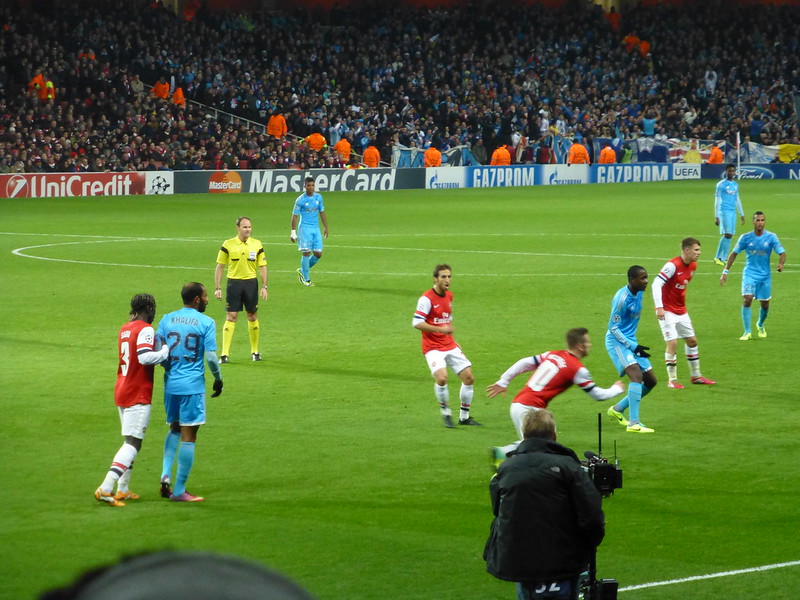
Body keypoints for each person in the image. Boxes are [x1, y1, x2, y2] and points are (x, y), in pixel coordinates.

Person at [483, 410, 605, 600]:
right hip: (562, 561)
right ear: (554, 436)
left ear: (523, 436)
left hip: (521, 561)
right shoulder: (569, 467)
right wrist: (587, 548)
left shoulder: (506, 468)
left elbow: (498, 511)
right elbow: (592, 517)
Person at [485, 328, 624, 468]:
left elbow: (524, 362)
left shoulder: (553, 354)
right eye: (588, 342)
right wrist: (616, 389)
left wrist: (503, 381)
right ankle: (506, 460)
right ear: (580, 346)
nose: (590, 345)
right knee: (539, 447)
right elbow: (597, 395)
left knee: (545, 444)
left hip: (521, 404)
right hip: (530, 409)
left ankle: (507, 456)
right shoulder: (577, 369)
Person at [94, 294, 169, 507]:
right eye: (153, 308)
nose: (154, 313)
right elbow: (144, 357)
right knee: (134, 443)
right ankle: (106, 488)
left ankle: (123, 489)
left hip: (122, 388)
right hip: (137, 391)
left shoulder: (125, 328)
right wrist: (165, 351)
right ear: (147, 308)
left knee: (130, 440)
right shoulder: (145, 329)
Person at [156, 282, 223, 502]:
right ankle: (179, 491)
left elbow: (158, 350)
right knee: (189, 435)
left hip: (170, 384)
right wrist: (218, 379)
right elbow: (212, 357)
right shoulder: (206, 322)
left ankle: (165, 475)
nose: (207, 299)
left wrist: (169, 369)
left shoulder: (167, 319)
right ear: (196, 299)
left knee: (174, 427)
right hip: (192, 386)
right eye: (205, 296)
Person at [38, 551, 317, 600]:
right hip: (189, 390)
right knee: (188, 433)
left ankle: (126, 485)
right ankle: (110, 484)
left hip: (166, 392)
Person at [413, 264, 479, 428]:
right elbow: (416, 323)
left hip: (449, 345)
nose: (447, 280)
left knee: (469, 378)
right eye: (443, 277)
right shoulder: (426, 299)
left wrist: (454, 341)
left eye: (449, 276)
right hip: (432, 347)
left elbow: (446, 321)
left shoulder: (449, 296)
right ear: (435, 279)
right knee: (442, 379)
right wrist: (440, 330)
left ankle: (464, 417)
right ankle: (446, 413)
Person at [653, 238, 716, 388]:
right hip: (666, 310)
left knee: (692, 341)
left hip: (681, 311)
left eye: (699, 250)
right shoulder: (672, 265)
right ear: (686, 250)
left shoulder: (693, 265)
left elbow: (680, 287)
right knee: (673, 342)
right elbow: (656, 284)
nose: (699, 253)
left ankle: (696, 376)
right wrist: (659, 307)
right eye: (696, 250)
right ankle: (672, 380)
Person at [605, 266, 658, 433]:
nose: (646, 281)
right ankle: (633, 424)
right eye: (642, 278)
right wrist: (633, 346)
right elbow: (613, 328)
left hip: (630, 341)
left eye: (646, 277)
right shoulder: (622, 299)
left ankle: (617, 409)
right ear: (632, 280)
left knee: (650, 381)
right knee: (636, 375)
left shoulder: (640, 292)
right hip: (617, 342)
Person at [720, 211, 786, 340]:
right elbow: (733, 254)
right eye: (757, 220)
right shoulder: (745, 238)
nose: (760, 223)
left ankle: (760, 324)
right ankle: (747, 331)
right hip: (750, 273)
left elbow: (782, 253)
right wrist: (725, 272)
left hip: (765, 275)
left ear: (764, 222)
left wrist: (781, 264)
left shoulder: (771, 237)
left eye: (762, 220)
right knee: (747, 299)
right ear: (753, 222)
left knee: (765, 304)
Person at [214, 217, 269, 363]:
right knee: (231, 317)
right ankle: (224, 354)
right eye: (245, 227)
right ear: (238, 228)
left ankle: (255, 352)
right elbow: (220, 266)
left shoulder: (257, 244)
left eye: (250, 227)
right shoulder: (228, 244)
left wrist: (264, 286)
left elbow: (263, 266)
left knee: (252, 316)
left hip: (251, 283)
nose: (248, 230)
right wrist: (217, 287)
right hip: (234, 284)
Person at [290, 177, 329, 287]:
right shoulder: (300, 200)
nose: (310, 187)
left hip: (315, 228)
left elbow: (322, 212)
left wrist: (326, 227)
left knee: (318, 253)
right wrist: (293, 232)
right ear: (304, 186)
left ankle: (302, 270)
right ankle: (306, 279)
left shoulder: (318, 197)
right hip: (305, 228)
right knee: (306, 252)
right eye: (308, 185)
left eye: (312, 185)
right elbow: (294, 216)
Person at [713, 164, 745, 266]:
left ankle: (724, 258)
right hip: (724, 211)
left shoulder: (735, 185)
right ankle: (717, 257)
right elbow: (717, 200)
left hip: (732, 212)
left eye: (733, 171)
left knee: (730, 235)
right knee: (727, 234)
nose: (731, 173)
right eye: (729, 171)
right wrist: (717, 215)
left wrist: (742, 214)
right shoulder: (721, 185)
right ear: (726, 172)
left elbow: (737, 199)